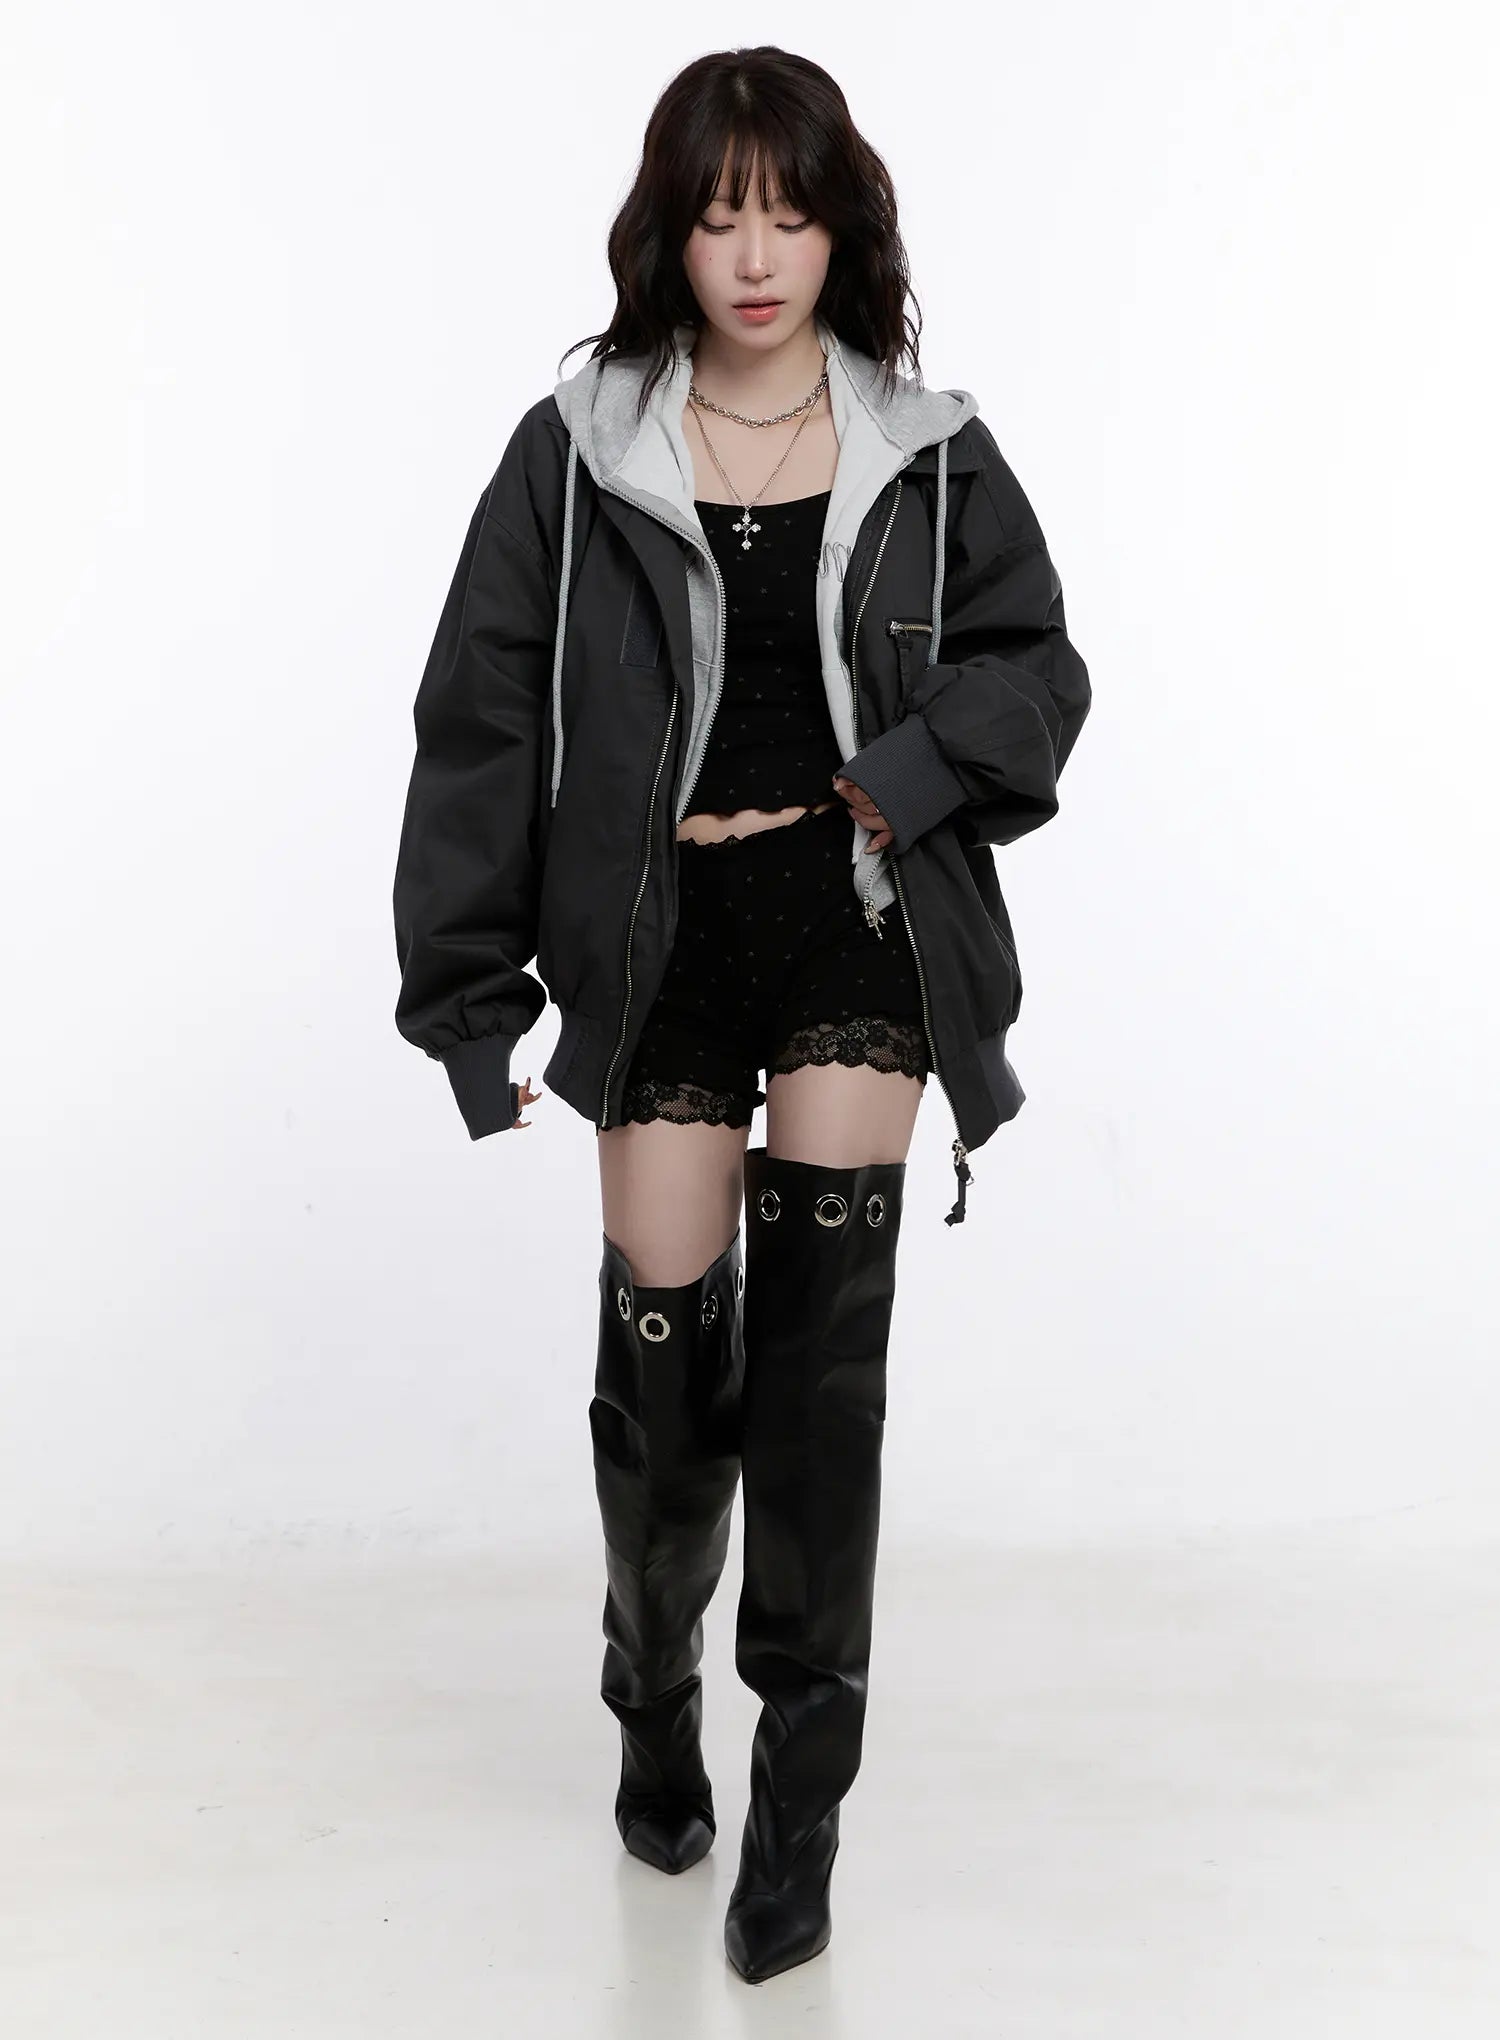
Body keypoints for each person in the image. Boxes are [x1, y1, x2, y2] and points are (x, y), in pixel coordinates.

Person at [391, 46, 1091, 1985]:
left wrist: (912, 774)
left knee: (823, 1362)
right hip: (658, 929)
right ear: (670, 235)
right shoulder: (578, 448)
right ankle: (650, 1674)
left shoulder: (928, 448)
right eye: (721, 218)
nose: (758, 257)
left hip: (858, 913)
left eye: (790, 214)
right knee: (667, 1364)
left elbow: (1040, 668)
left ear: (841, 228)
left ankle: (804, 1792)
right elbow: (478, 720)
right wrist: (468, 997)